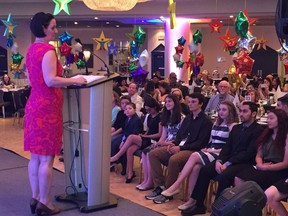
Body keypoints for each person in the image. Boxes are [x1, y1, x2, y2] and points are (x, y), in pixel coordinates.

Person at [25, 12, 86, 215]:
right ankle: (45, 202)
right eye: (53, 27)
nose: (56, 30)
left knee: (35, 157)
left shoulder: (31, 49)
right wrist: (74, 80)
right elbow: (51, 80)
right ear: (43, 28)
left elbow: (32, 79)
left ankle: (35, 197)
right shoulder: (48, 50)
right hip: (47, 108)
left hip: (34, 104)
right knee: (47, 159)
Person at [181, 102, 263, 216]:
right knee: (204, 170)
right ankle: (198, 205)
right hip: (229, 159)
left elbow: (249, 153)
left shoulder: (258, 130)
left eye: (245, 111)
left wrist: (228, 163)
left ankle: (217, 211)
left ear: (253, 114)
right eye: (241, 111)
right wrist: (219, 161)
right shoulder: (237, 128)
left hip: (244, 162)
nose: (241, 114)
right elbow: (227, 147)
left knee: (224, 176)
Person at [161, 101, 238, 210]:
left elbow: (229, 148)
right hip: (211, 151)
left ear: (231, 111)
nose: (221, 112)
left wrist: (212, 151)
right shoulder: (216, 122)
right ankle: (192, 200)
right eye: (220, 109)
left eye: (224, 110)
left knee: (194, 156)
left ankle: (176, 184)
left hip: (220, 155)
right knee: (196, 168)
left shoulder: (233, 126)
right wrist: (207, 148)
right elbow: (212, 141)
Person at [146, 93, 213, 204]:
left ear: (201, 104)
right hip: (181, 146)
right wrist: (174, 144)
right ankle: (160, 186)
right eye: (189, 102)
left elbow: (200, 143)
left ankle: (169, 190)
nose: (190, 104)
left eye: (193, 102)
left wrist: (180, 147)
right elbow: (180, 136)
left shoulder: (206, 122)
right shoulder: (188, 118)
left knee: (174, 159)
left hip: (193, 150)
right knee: (153, 154)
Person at [136, 94, 184, 191]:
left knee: (151, 153)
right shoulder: (167, 116)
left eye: (170, 101)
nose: (167, 104)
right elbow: (163, 135)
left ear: (175, 102)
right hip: (165, 142)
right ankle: (147, 180)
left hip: (174, 144)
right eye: (166, 102)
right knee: (146, 151)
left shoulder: (182, 118)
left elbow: (180, 137)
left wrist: (163, 143)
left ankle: (153, 182)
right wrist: (159, 143)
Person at [110, 98, 161, 183]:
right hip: (146, 137)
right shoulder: (149, 117)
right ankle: (130, 173)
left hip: (153, 140)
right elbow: (148, 130)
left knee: (131, 137)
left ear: (154, 107)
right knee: (129, 150)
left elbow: (159, 134)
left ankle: (117, 156)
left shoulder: (159, 117)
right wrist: (145, 135)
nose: (148, 111)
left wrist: (146, 136)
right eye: (147, 109)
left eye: (150, 109)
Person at [235, 109, 288, 189]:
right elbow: (259, 155)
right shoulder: (266, 134)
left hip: (278, 168)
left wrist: (266, 167)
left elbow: (285, 163)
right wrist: (260, 164)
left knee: (252, 181)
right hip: (264, 164)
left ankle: (254, 200)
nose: (268, 121)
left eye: (271, 118)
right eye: (268, 118)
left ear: (280, 120)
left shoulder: (286, 137)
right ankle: (247, 201)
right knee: (238, 177)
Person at [111, 95, 131, 175]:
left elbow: (123, 128)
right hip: (119, 132)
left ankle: (115, 160)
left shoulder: (129, 114)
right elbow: (115, 125)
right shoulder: (120, 113)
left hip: (125, 133)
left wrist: (112, 135)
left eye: (126, 103)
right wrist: (110, 132)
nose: (124, 105)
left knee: (113, 141)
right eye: (122, 103)